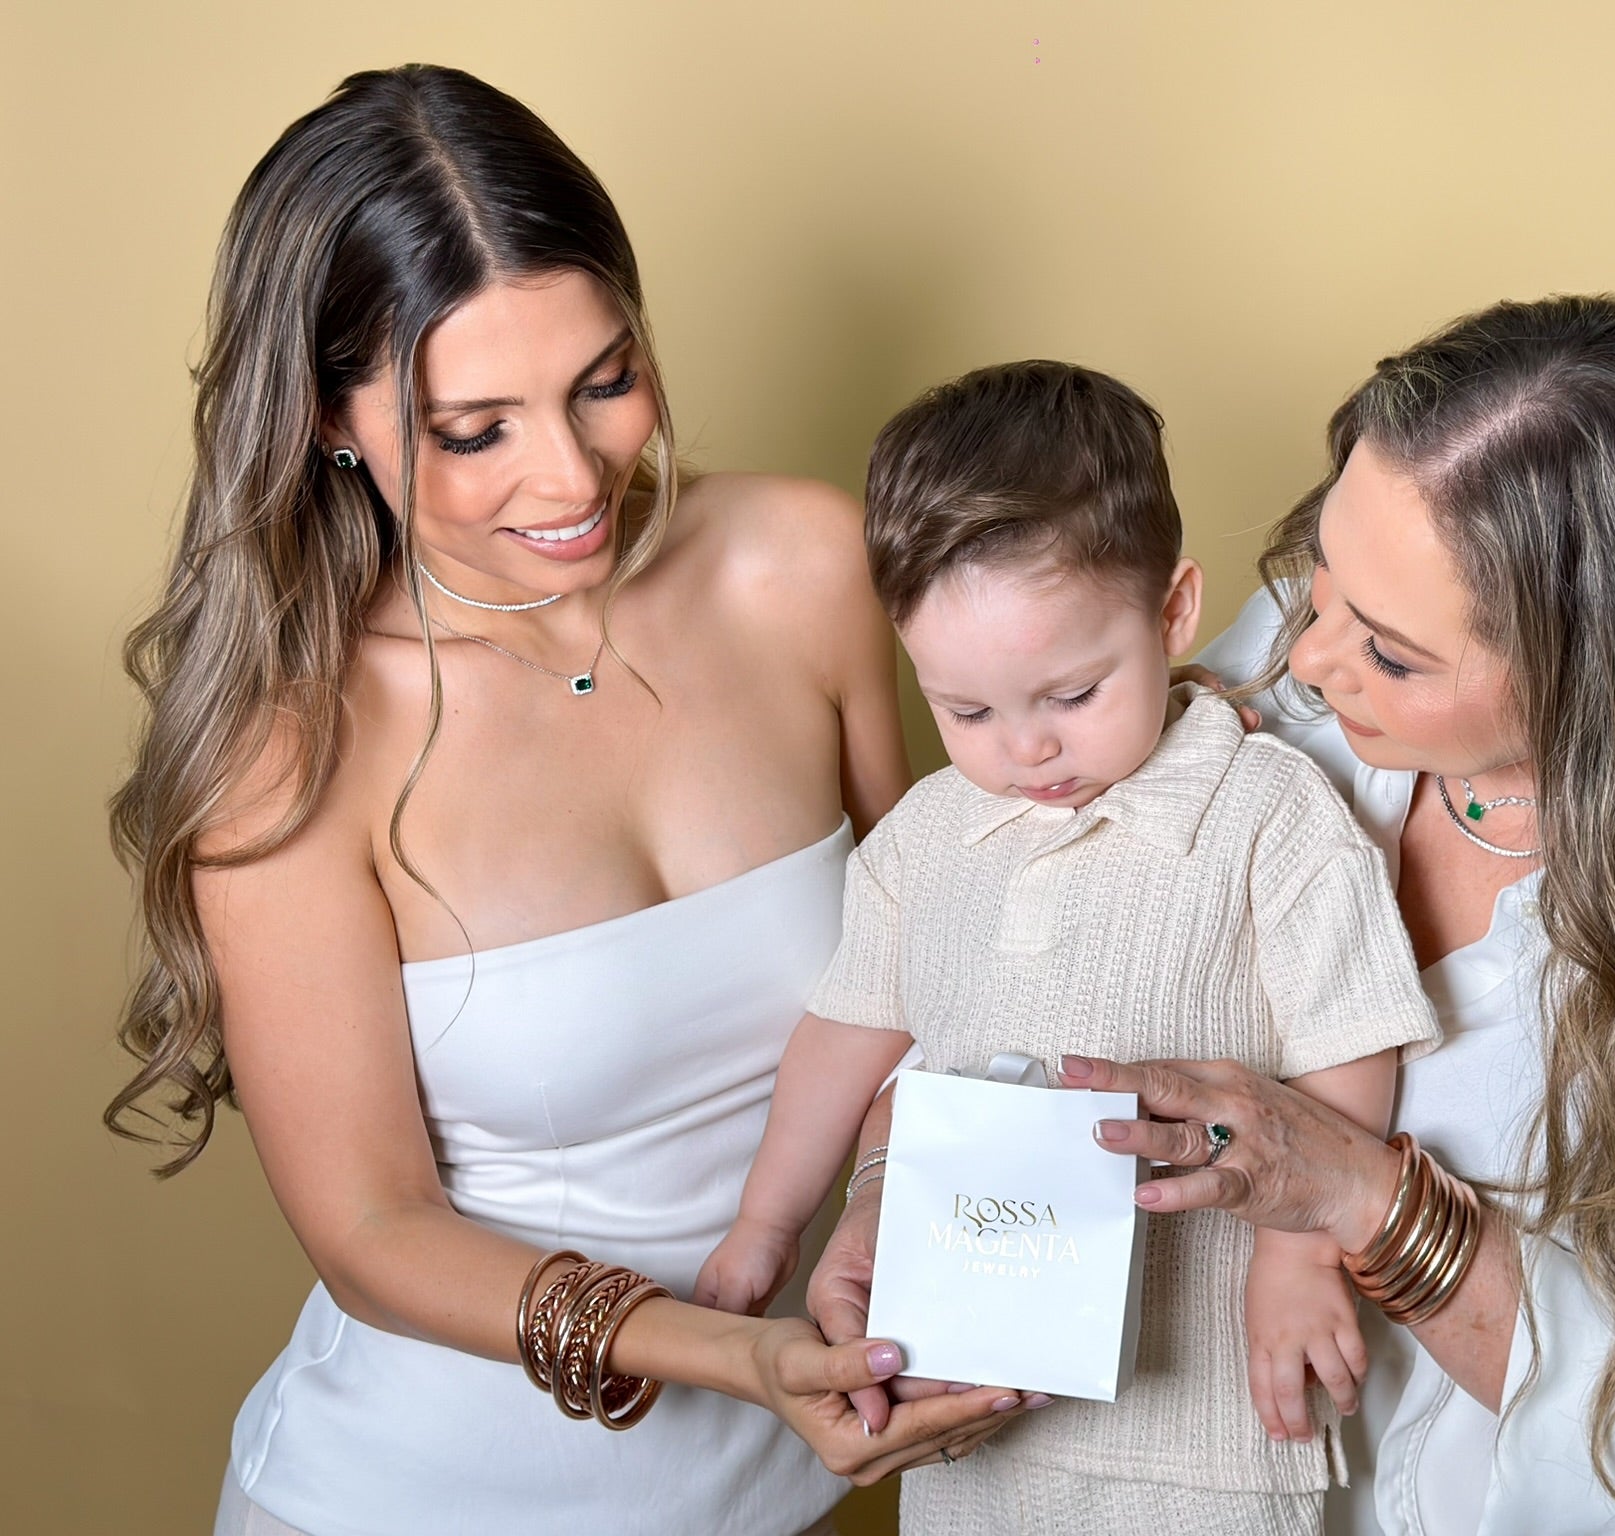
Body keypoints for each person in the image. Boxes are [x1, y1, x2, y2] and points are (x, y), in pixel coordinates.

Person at [106, 65, 1020, 1536]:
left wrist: (875, 1202)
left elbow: (925, 968)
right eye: (474, 429)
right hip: (414, 1501)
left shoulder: (803, 566)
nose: (572, 475)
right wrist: (735, 1352)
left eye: (603, 381)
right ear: (331, 419)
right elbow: (371, 1231)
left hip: (788, 1486)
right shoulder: (290, 750)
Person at [1054, 295, 1615, 1535]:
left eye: (1393, 654)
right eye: (1322, 581)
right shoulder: (1293, 680)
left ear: (1602, 669)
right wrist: (891, 1191)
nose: (1308, 657)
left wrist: (1362, 1201)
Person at [696, 360, 1442, 1534]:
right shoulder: (925, 840)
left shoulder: (1267, 814)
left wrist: (1297, 1257)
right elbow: (843, 1035)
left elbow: (1349, 1036)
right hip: (973, 1406)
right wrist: (766, 1225)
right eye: (966, 711)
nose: (1026, 749)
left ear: (1171, 614)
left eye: (1072, 694)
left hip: (1204, 1429)